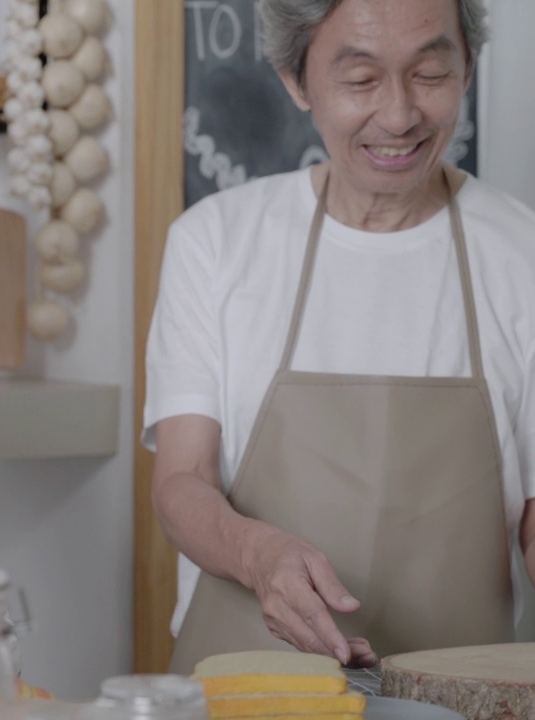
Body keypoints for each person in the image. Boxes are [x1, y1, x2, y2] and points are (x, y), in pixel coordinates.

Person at [144, 0, 535, 675]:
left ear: (468, 67)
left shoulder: (522, 254)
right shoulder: (214, 243)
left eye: (431, 73)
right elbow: (183, 480)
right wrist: (257, 557)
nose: (399, 114)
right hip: (250, 689)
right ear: (296, 80)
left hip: (467, 697)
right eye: (360, 81)